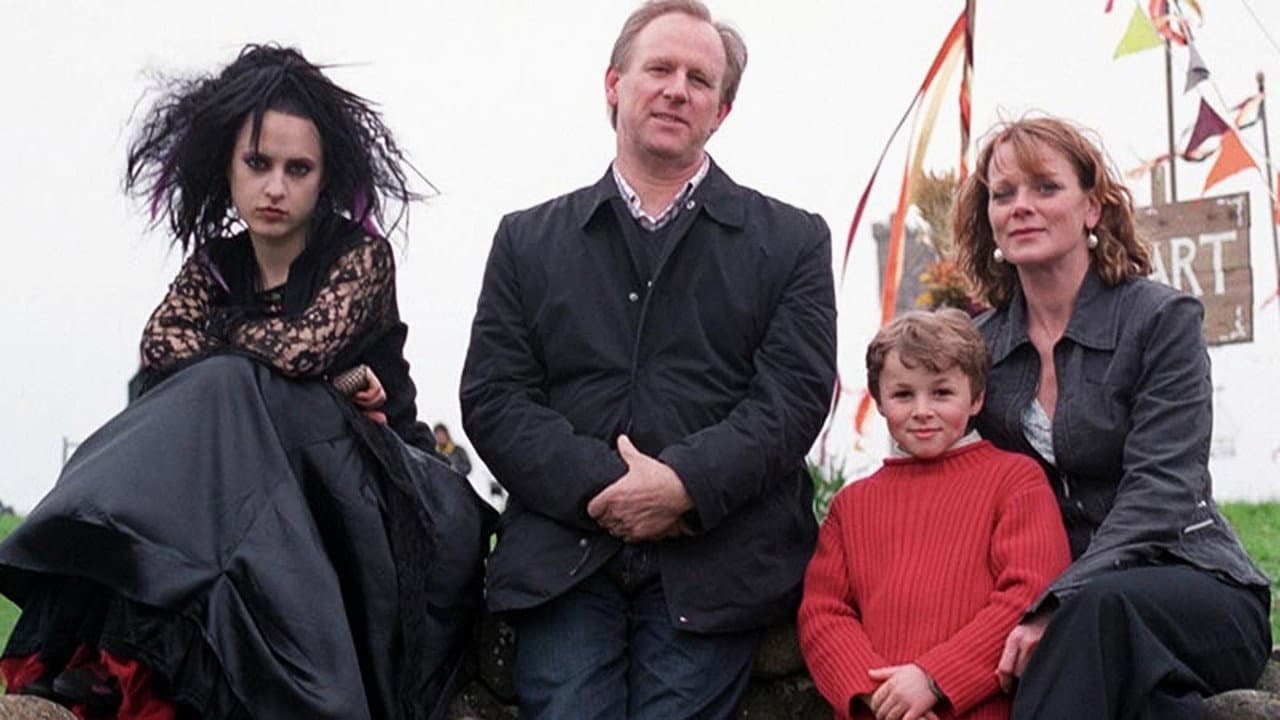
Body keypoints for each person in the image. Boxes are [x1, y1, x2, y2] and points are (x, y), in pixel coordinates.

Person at [0, 45, 493, 720]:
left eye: (298, 169)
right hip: (255, 482)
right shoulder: (215, 265)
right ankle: (127, 653)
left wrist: (243, 351)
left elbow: (299, 350)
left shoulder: (360, 255)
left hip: (378, 492)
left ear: (325, 176)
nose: (275, 188)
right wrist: (300, 372)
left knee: (223, 388)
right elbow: (159, 344)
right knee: (210, 411)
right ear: (227, 168)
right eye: (258, 164)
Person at [459, 1, 837, 717]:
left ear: (722, 110)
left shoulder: (793, 242)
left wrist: (684, 486)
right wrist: (612, 489)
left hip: (719, 559)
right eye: (659, 68)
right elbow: (495, 396)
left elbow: (793, 399)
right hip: (566, 556)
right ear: (614, 83)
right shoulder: (526, 241)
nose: (676, 90)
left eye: (699, 79)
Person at [952, 115, 1271, 719]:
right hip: (1066, 607)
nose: (1021, 206)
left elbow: (1163, 489)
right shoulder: (979, 348)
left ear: (1093, 208)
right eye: (1003, 193)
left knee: (1097, 613)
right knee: (1148, 702)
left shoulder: (1161, 320)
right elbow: (957, 480)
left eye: (1046, 187)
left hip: (1194, 583)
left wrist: (1059, 600)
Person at [798, 309, 1070, 720]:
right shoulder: (850, 506)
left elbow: (1028, 594)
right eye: (903, 395)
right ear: (880, 402)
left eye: (941, 393)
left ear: (976, 398)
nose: (922, 410)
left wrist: (934, 678)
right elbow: (823, 613)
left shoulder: (1015, 481)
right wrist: (880, 696)